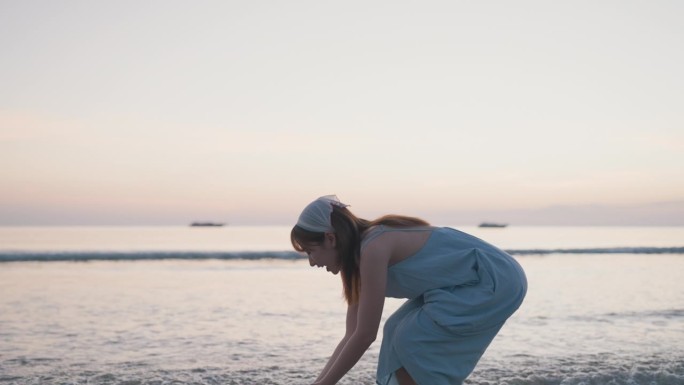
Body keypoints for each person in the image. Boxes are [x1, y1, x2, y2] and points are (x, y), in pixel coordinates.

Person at [291, 195, 527, 385]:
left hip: (493, 278)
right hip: (464, 283)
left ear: (330, 239)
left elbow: (365, 335)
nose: (312, 262)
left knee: (408, 338)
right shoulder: (355, 264)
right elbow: (351, 334)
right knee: (395, 329)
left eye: (310, 251)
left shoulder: (372, 248)